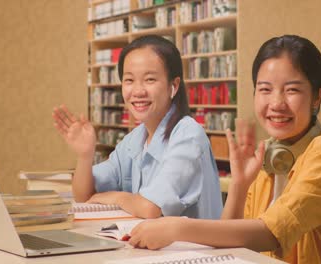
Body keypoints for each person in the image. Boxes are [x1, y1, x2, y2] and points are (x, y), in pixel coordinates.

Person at [128, 35, 321, 263]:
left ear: (317, 97)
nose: (277, 103)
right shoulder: (268, 155)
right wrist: (239, 185)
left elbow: (269, 234)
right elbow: (229, 240)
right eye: (265, 89)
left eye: (292, 90)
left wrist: (177, 227)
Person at [52, 35, 223, 220]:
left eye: (150, 80)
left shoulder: (188, 135)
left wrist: (116, 197)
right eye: (129, 80)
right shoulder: (135, 139)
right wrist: (85, 156)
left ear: (173, 85)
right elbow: (84, 197)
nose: (138, 91)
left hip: (198, 249)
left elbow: (150, 208)